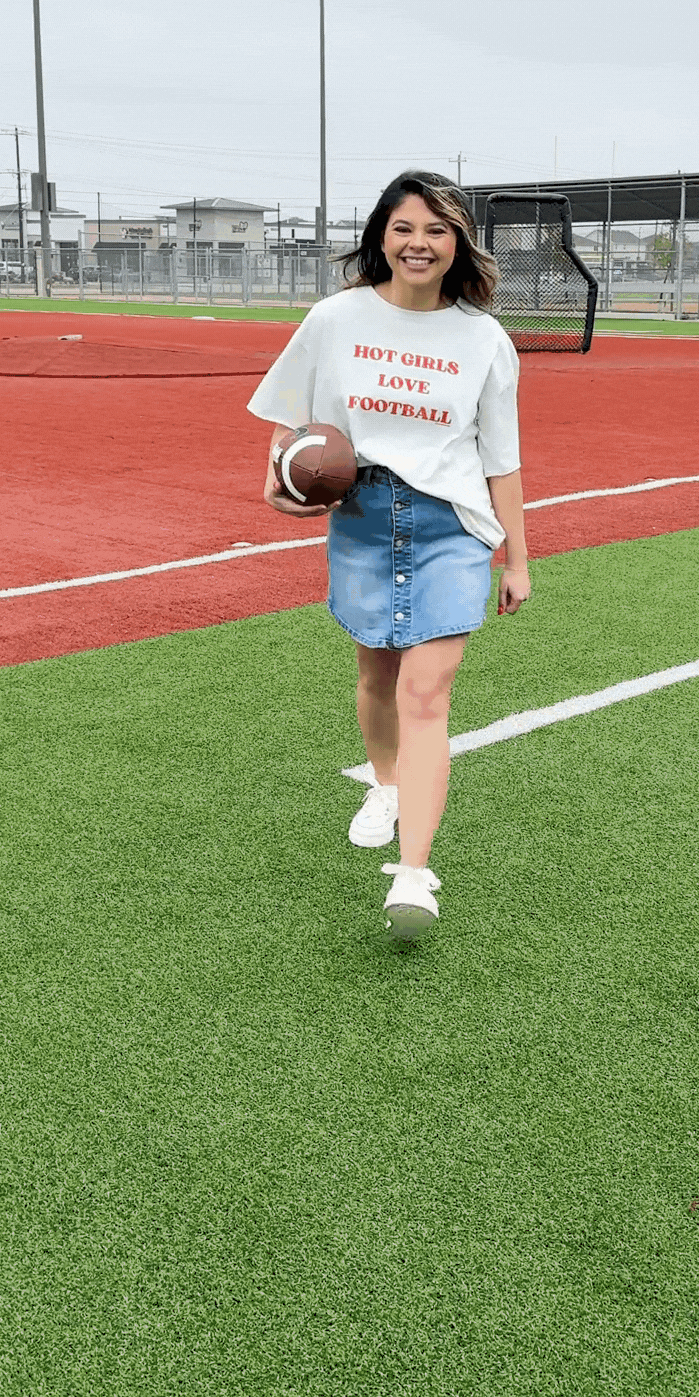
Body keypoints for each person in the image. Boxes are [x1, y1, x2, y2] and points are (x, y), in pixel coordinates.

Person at [247, 170, 531, 940]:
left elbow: (500, 457)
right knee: (376, 668)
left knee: (427, 694)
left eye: (438, 230)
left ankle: (413, 872)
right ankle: (384, 784)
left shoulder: (482, 337)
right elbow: (292, 420)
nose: (420, 243)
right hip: (364, 518)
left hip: (451, 527)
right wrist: (276, 478)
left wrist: (516, 558)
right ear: (381, 235)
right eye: (405, 227)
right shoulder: (334, 319)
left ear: (458, 245)